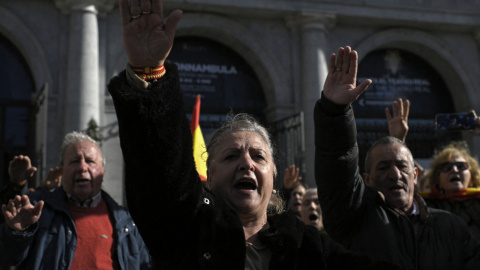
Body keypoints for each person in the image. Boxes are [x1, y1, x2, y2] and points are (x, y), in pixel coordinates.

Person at [106, 0, 400, 269]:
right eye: (231, 155)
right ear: (210, 173)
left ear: (273, 173)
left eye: (258, 156)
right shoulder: (186, 229)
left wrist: (334, 112)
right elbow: (159, 170)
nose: (246, 163)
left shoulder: (306, 246)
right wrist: (148, 72)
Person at [315, 45, 480, 269]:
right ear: (368, 179)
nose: (394, 174)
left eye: (402, 167)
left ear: (415, 175)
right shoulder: (354, 220)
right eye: (383, 167)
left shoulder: (450, 226)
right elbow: (337, 161)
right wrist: (334, 111)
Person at [0, 131, 151, 269]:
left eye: (90, 161)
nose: (82, 167)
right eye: (74, 161)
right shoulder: (37, 211)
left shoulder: (127, 223)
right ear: (62, 170)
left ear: (102, 172)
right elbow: (8, 257)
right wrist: (18, 233)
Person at [421, 141, 480, 240]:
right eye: (446, 167)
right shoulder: (423, 206)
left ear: (472, 178)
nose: (454, 170)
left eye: (461, 166)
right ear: (437, 178)